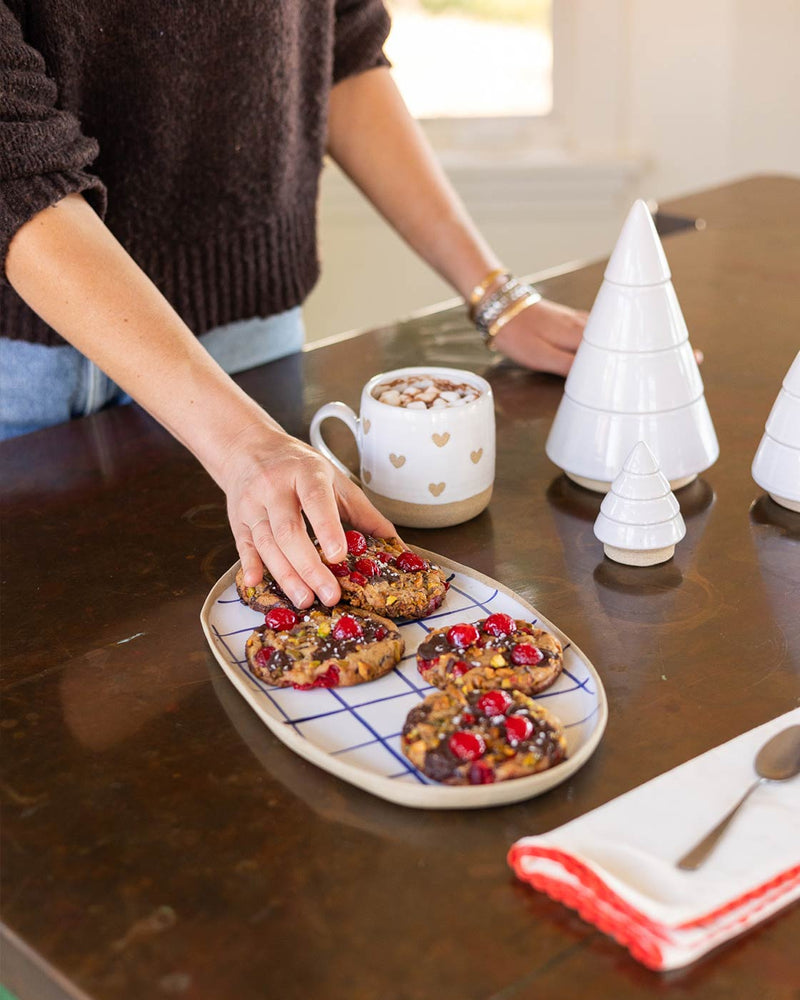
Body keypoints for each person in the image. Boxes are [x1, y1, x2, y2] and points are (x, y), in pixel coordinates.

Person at [0, 1, 587, 609]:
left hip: (249, 341)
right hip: (24, 364)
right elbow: (10, 164)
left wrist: (496, 296)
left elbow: (341, 45)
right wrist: (244, 443)